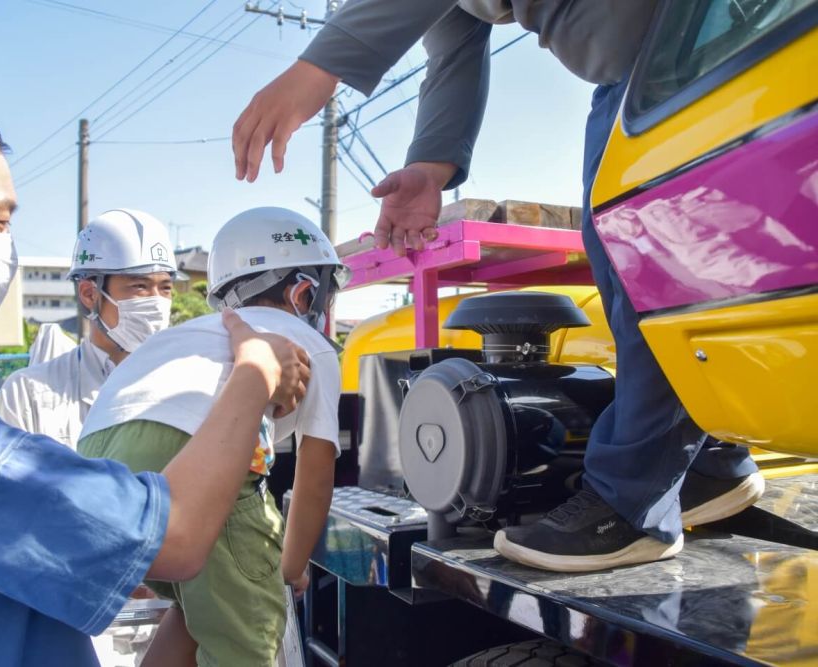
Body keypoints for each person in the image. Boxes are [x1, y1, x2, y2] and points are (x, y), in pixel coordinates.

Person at [231, 0, 764, 572]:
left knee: (645, 263)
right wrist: (432, 166)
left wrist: (320, 66)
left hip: (689, 42)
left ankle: (630, 504)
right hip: (635, 76)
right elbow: (456, 42)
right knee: (624, 261)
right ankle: (706, 464)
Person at [0, 90, 309, 666]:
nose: (5, 248)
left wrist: (202, 603)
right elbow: (175, 534)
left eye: (162, 286)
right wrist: (254, 372)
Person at [78, 207, 349, 667]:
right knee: (247, 635)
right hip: (187, 449)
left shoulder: (193, 333)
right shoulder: (310, 344)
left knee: (200, 606)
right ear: (304, 293)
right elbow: (315, 470)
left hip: (98, 453)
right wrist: (289, 565)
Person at [0, 208, 182, 449]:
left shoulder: (184, 385)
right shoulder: (28, 393)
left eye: (165, 288)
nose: (156, 302)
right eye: (139, 286)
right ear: (89, 293)